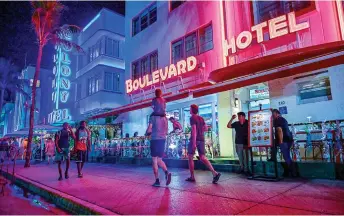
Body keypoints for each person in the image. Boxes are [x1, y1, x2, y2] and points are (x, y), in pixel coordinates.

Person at [186, 104, 221, 183]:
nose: (189, 110)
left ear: (192, 110)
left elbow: (194, 130)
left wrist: (194, 143)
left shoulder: (192, 118)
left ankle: (192, 177)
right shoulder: (201, 118)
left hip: (194, 140)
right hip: (201, 139)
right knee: (203, 157)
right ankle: (214, 173)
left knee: (190, 157)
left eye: (190, 109)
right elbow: (206, 128)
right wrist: (201, 132)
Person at [145, 110, 172, 187]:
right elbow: (166, 131)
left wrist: (147, 133)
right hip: (162, 140)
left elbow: (149, 129)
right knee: (159, 160)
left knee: (154, 160)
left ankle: (157, 180)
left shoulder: (152, 116)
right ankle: (166, 172)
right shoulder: (165, 118)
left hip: (155, 140)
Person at [271, 109, 294, 177]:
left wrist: (281, 142)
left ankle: (291, 172)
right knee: (286, 156)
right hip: (289, 139)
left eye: (273, 115)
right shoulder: (282, 119)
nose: (273, 116)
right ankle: (290, 171)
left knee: (286, 156)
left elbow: (279, 130)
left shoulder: (278, 120)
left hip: (284, 140)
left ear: (278, 114)